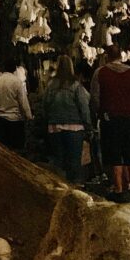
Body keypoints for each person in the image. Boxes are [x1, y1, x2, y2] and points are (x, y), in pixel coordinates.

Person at [91, 44, 130, 203]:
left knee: (114, 155)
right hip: (129, 118)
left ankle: (119, 189)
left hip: (110, 119)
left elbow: (95, 98)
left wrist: (99, 112)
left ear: (107, 57)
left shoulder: (100, 73)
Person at [42, 55, 92, 183]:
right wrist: (88, 127)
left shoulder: (50, 85)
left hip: (54, 127)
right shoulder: (76, 86)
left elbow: (45, 105)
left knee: (58, 161)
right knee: (74, 162)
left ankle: (60, 187)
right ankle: (74, 188)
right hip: (74, 128)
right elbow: (84, 107)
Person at [0, 58, 32, 151]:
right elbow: (23, 102)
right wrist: (28, 116)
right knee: (17, 150)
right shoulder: (17, 82)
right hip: (15, 119)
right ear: (14, 69)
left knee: (5, 151)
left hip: (0, 119)